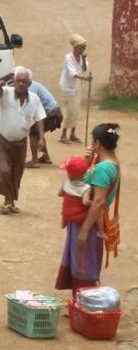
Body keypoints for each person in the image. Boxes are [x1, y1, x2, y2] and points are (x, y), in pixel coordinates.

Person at [55, 123, 121, 295]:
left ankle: (85, 304)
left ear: (97, 143)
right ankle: (81, 303)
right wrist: (88, 161)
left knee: (84, 264)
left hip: (88, 223)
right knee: (82, 261)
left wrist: (84, 231)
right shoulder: (109, 163)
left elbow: (98, 201)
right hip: (86, 220)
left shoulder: (102, 169)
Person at [0, 66, 46, 214]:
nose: (21, 84)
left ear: (29, 84)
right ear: (14, 82)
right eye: (18, 81)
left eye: (25, 81)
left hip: (21, 142)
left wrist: (41, 138)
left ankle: (9, 202)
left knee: (17, 173)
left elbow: (40, 118)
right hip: (3, 140)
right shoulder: (6, 93)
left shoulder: (34, 99)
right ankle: (7, 201)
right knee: (5, 171)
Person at [58, 155, 105, 238]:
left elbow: (60, 194)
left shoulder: (66, 183)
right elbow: (85, 202)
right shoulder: (85, 187)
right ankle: (101, 232)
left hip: (67, 214)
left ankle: (63, 223)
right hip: (79, 217)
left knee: (65, 204)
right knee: (99, 210)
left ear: (68, 174)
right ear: (84, 175)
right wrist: (94, 203)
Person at [59, 34, 92, 144]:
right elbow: (73, 73)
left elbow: (84, 69)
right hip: (68, 87)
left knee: (77, 110)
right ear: (75, 47)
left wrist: (83, 58)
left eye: (84, 47)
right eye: (80, 47)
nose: (82, 50)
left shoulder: (83, 57)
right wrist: (86, 78)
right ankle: (63, 135)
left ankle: (73, 134)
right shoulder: (68, 58)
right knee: (70, 110)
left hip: (77, 86)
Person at [26, 78, 64, 168]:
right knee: (38, 132)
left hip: (52, 113)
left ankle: (35, 161)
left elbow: (34, 112)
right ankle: (46, 157)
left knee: (34, 133)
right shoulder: (33, 84)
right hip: (54, 112)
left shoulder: (31, 90)